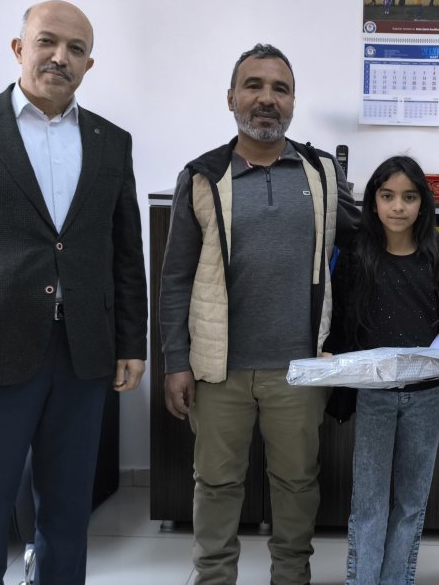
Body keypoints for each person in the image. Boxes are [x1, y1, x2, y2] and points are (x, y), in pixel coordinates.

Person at [0, 0, 148, 584]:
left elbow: (124, 252)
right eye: (47, 42)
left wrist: (131, 342)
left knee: (67, 518)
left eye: (76, 49)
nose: (60, 57)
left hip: (83, 357)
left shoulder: (111, 142)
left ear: (90, 65)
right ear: (19, 48)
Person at [158, 43, 360, 585]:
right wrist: (176, 361)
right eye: (254, 86)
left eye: (280, 88)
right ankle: (214, 578)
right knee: (217, 485)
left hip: (299, 369)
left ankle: (291, 578)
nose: (266, 99)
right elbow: (175, 277)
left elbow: (368, 243)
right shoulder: (202, 176)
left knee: (297, 485)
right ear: (231, 98)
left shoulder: (320, 173)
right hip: (219, 369)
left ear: (293, 102)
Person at [323, 156, 439, 585]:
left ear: (422, 204)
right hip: (374, 395)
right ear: (373, 202)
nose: (398, 207)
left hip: (427, 395)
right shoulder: (356, 258)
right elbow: (337, 324)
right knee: (369, 503)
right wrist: (328, 354)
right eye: (388, 196)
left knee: (411, 501)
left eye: (409, 197)